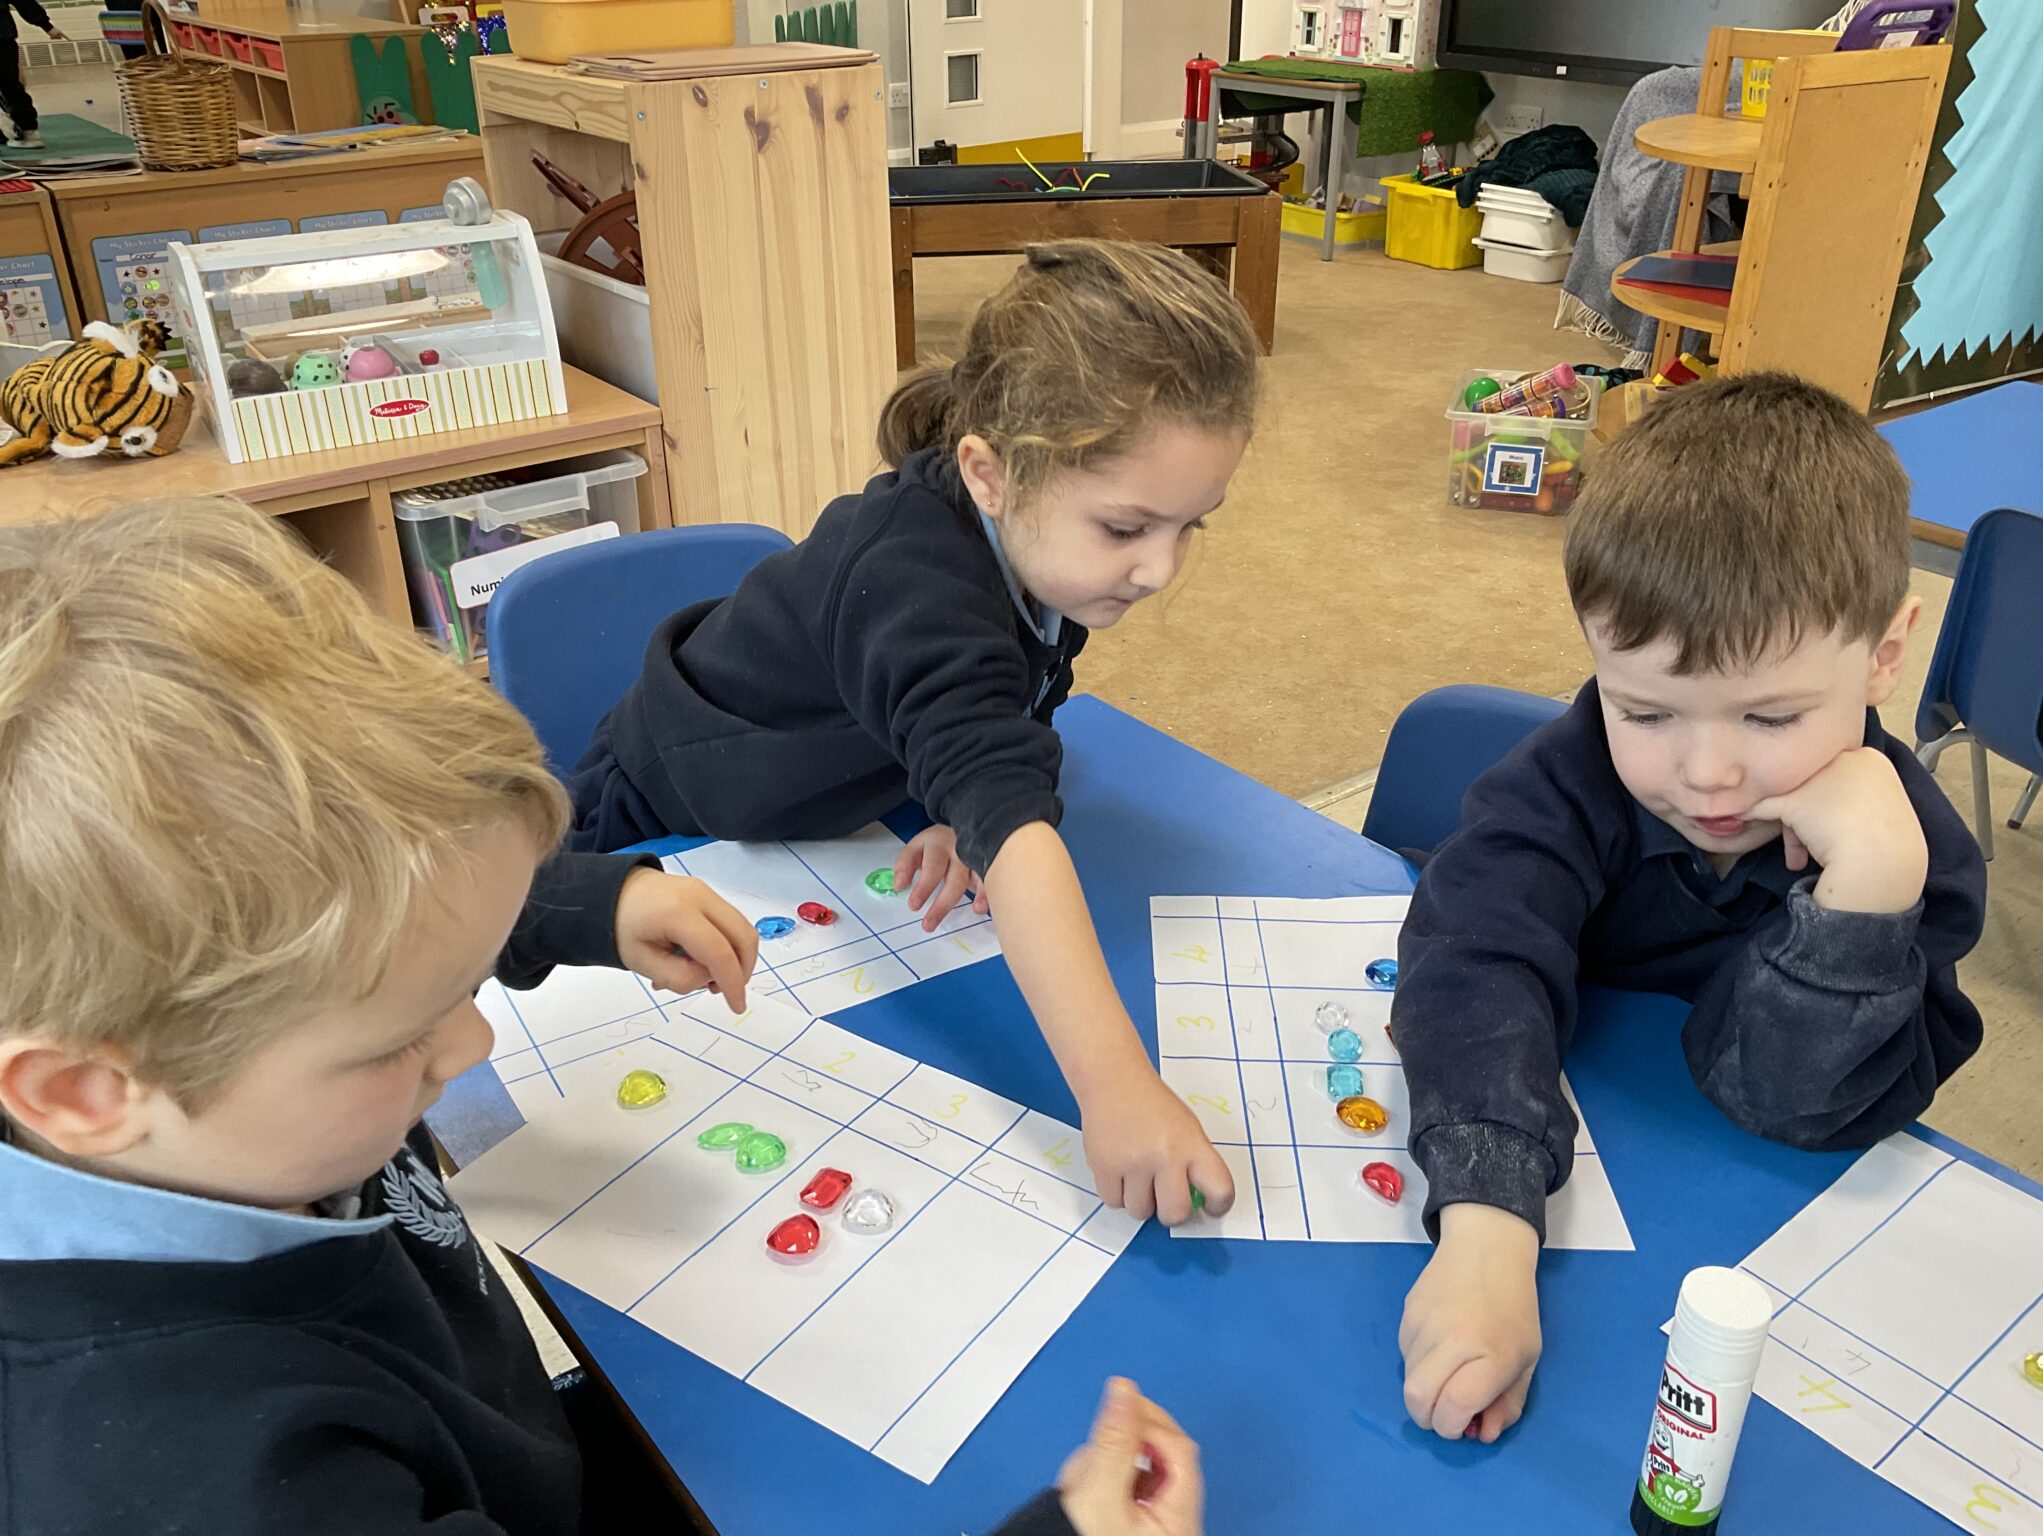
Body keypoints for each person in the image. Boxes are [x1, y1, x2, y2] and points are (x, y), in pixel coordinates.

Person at [0, 497, 1207, 1536]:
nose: (470, 1044)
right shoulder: (205, 1481)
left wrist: (587, 903)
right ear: (83, 1091)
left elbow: (374, 951)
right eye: (403, 1039)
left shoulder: (194, 1092)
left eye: (455, 988)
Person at [568, 239, 1263, 1226]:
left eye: (1192, 525)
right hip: (661, 814)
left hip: (830, 806)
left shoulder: (1042, 546)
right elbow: (1005, 798)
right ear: (988, 473)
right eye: (1125, 528)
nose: (1160, 570)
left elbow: (1013, 694)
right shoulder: (912, 578)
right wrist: (1116, 1085)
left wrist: (949, 806)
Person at [1391, 373, 1986, 1445]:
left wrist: (1859, 901)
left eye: (1770, 717)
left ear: (1884, 656)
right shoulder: (1570, 776)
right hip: (1571, 1149)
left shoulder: (1913, 860)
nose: (1708, 775)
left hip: (1750, 1236)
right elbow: (1472, 956)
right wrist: (1486, 1225)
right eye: (1647, 711)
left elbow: (1788, 1104)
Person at [0, 0, 63, 149]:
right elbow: (25, 3)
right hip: (3, 37)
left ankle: (27, 131)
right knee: (10, 86)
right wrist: (47, 26)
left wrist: (45, 24)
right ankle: (30, 132)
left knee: (10, 86)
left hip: (3, 35)